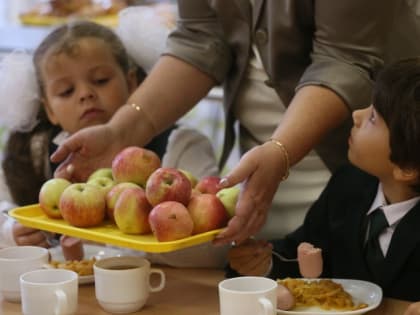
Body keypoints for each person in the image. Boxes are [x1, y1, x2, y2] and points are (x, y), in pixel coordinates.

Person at [49, 0, 402, 246]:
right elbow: (200, 38)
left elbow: (344, 57)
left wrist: (280, 151)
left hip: (364, 168)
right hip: (260, 170)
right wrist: (119, 132)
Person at [0, 21, 228, 268]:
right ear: (49, 109)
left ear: (132, 84)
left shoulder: (180, 146)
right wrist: (11, 230)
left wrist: (143, 234)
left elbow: (214, 250)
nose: (85, 93)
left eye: (100, 80)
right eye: (66, 91)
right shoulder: (35, 151)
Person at [227, 57, 420, 302]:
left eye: (373, 118)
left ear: (407, 167)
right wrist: (261, 264)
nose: (356, 115)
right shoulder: (349, 185)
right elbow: (301, 257)